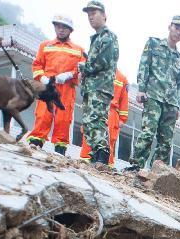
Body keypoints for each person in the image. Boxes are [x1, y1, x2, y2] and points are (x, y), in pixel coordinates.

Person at [127, 15, 180, 171]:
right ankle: (136, 166)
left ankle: (156, 173)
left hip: (172, 103)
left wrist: (179, 107)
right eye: (176, 28)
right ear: (170, 27)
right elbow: (144, 66)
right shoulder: (153, 44)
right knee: (148, 132)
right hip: (153, 96)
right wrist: (141, 89)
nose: (179, 33)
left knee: (166, 140)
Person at [26, 15, 83, 154]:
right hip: (47, 86)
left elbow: (82, 69)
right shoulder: (45, 46)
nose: (61, 30)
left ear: (70, 30)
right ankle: (35, 145)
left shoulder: (78, 49)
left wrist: (70, 74)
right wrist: (42, 77)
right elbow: (37, 64)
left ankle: (60, 151)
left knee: (63, 119)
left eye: (64, 27)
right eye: (58, 26)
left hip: (67, 88)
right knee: (42, 115)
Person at [78, 1, 119, 166]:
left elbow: (100, 62)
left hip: (100, 87)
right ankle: (96, 155)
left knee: (96, 120)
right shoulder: (98, 38)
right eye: (89, 14)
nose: (90, 17)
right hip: (92, 87)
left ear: (104, 15)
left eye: (94, 13)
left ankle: (102, 156)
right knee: (89, 122)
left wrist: (84, 67)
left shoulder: (107, 36)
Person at [79, 69, 129, 165]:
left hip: (111, 111)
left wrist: (122, 118)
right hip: (95, 107)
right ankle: (85, 161)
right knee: (89, 135)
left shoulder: (122, 78)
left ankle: (105, 165)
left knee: (109, 139)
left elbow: (124, 99)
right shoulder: (97, 70)